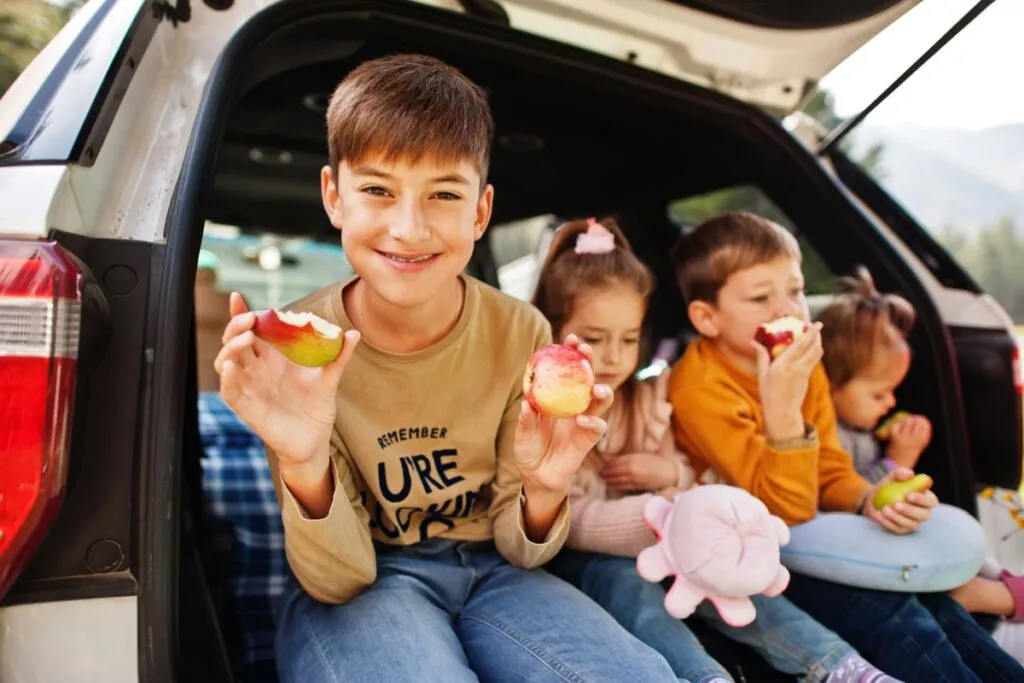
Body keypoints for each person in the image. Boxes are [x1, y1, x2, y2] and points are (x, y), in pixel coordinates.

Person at [215, 54, 679, 683]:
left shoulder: (521, 330)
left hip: (495, 570)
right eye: (377, 190)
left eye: (444, 194)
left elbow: (522, 550)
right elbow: (340, 579)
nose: (409, 229)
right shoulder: (295, 350)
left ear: (480, 212)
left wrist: (545, 489)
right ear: (333, 197)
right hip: (369, 582)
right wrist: (303, 460)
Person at [534, 216, 901, 683]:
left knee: (728, 574)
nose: (613, 356)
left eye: (628, 339)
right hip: (591, 553)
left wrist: (668, 476)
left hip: (666, 536)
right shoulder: (548, 418)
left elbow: (686, 473)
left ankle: (840, 667)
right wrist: (660, 516)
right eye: (593, 339)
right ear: (551, 334)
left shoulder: (646, 400)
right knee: (629, 587)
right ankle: (704, 675)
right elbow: (565, 518)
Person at [667, 210, 1024, 682]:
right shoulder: (699, 388)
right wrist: (783, 412)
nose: (787, 309)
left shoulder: (801, 363)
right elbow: (786, 512)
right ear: (706, 317)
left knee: (938, 606)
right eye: (760, 297)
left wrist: (868, 498)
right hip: (750, 555)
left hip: (811, 535)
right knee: (894, 617)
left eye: (795, 290)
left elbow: (830, 468)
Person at [818, 265, 1024, 652]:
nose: (890, 403)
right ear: (828, 385)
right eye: (879, 394)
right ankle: (997, 598)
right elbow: (852, 501)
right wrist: (898, 460)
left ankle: (1003, 587)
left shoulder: (860, 428)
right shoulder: (830, 435)